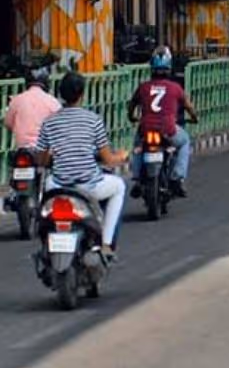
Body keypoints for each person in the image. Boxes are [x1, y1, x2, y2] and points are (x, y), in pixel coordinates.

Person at [36, 72, 129, 257]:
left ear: (61, 94)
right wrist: (122, 156)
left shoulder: (49, 122)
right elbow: (108, 159)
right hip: (89, 187)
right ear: (82, 94)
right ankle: (107, 243)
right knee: (119, 186)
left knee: (47, 190)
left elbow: (41, 160)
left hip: (60, 186)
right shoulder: (93, 120)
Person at [129, 47, 197, 198]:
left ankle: (137, 179)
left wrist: (131, 117)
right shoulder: (176, 88)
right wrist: (194, 118)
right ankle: (177, 178)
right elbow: (189, 106)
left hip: (146, 128)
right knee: (184, 141)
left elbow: (132, 104)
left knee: (138, 146)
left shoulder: (143, 87)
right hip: (168, 129)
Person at [3, 66, 60, 149]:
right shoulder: (53, 102)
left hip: (22, 148)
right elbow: (58, 126)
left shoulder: (17, 100)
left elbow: (8, 123)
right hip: (44, 150)